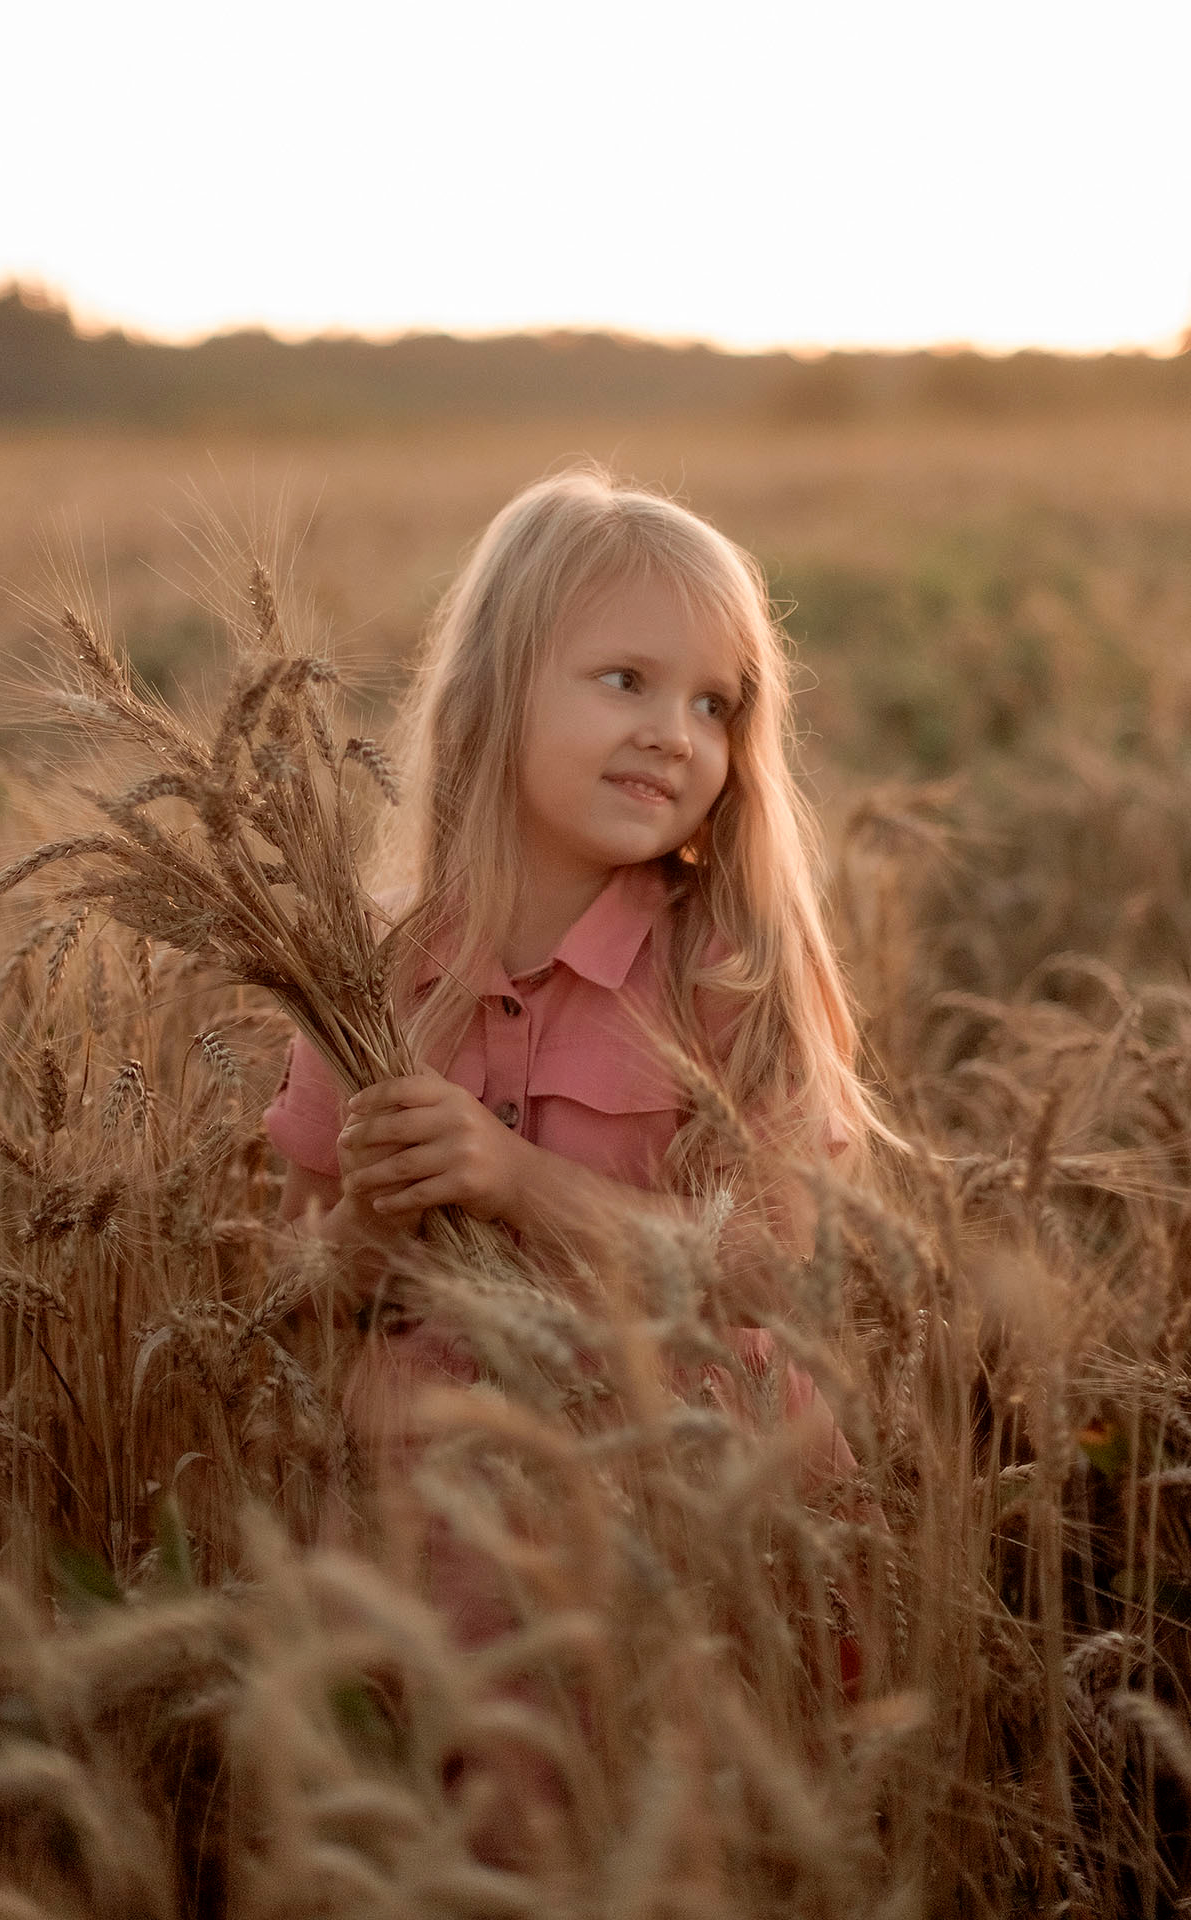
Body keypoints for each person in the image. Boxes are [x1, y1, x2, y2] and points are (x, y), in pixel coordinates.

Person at [265, 465, 879, 1686]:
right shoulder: (368, 971)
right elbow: (303, 1293)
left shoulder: (732, 967)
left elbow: (780, 1272)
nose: (674, 731)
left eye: (716, 705)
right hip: (439, 1509)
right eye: (624, 682)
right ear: (494, 691)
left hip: (696, 1488)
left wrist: (513, 1181)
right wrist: (379, 1216)